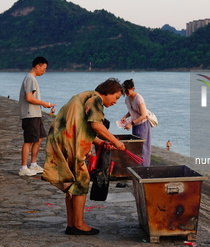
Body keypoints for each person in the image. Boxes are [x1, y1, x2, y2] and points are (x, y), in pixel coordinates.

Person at [42, 78, 125, 235]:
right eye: (116, 97)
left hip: (62, 140)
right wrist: (115, 141)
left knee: (72, 183)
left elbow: (82, 128)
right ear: (108, 91)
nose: (116, 101)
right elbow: (96, 125)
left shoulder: (85, 97)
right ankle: (79, 224)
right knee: (81, 181)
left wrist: (101, 143)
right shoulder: (96, 99)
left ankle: (71, 224)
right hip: (69, 144)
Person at [19, 56, 56, 176]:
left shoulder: (32, 78)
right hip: (30, 114)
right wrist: (45, 104)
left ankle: (33, 164)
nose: (44, 71)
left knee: (39, 138)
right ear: (37, 66)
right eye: (43, 69)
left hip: (35, 114)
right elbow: (29, 98)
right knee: (29, 140)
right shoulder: (30, 79)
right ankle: (23, 168)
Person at [121, 79, 152, 166]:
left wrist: (131, 123)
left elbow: (144, 115)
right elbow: (131, 111)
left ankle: (145, 166)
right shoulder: (127, 99)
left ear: (133, 88)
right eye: (124, 91)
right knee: (136, 146)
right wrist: (125, 117)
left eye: (127, 90)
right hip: (135, 124)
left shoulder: (139, 99)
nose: (126, 93)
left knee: (143, 147)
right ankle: (138, 165)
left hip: (143, 124)